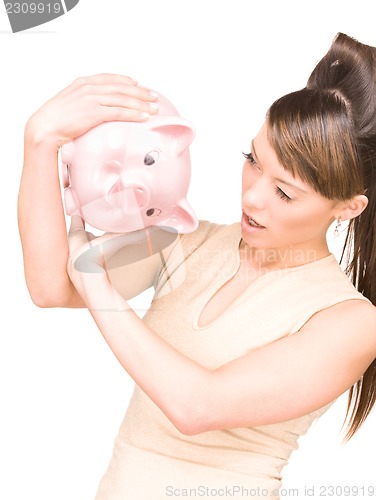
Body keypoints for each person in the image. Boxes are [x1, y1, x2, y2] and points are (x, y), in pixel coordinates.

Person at [18, 33, 376, 500]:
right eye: (253, 160)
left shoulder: (351, 322)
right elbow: (50, 288)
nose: (251, 196)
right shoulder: (187, 242)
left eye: (284, 192)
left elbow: (196, 406)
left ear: (348, 208)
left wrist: (96, 282)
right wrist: (40, 143)